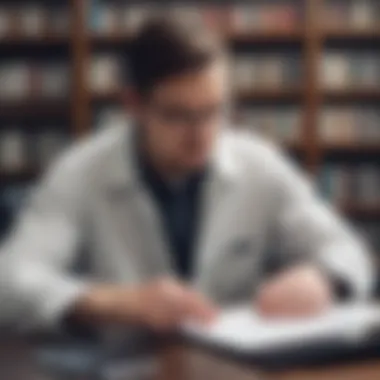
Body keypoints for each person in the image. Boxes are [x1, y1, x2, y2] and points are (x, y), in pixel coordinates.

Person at [0, 17, 374, 337]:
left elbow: (347, 251)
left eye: (214, 111)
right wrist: (116, 302)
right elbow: (10, 283)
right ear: (134, 105)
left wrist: (324, 280)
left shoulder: (259, 165)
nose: (202, 134)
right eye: (178, 115)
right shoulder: (81, 172)